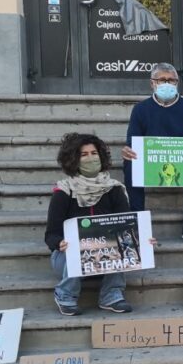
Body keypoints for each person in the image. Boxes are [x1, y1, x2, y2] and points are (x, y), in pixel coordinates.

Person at [44, 133, 152, 316]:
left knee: (120, 241)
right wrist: (59, 243)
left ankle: (111, 295)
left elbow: (126, 225)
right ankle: (65, 295)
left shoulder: (114, 189)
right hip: (67, 259)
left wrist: (141, 239)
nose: (91, 158)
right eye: (84, 155)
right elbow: (51, 234)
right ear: (73, 160)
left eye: (94, 153)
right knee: (77, 246)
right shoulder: (63, 192)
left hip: (105, 255)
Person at [122, 63, 183, 242]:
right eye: (162, 80)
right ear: (152, 83)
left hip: (181, 161)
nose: (167, 83)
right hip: (152, 161)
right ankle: (137, 220)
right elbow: (132, 142)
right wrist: (128, 151)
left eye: (172, 80)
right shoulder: (141, 109)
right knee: (130, 161)